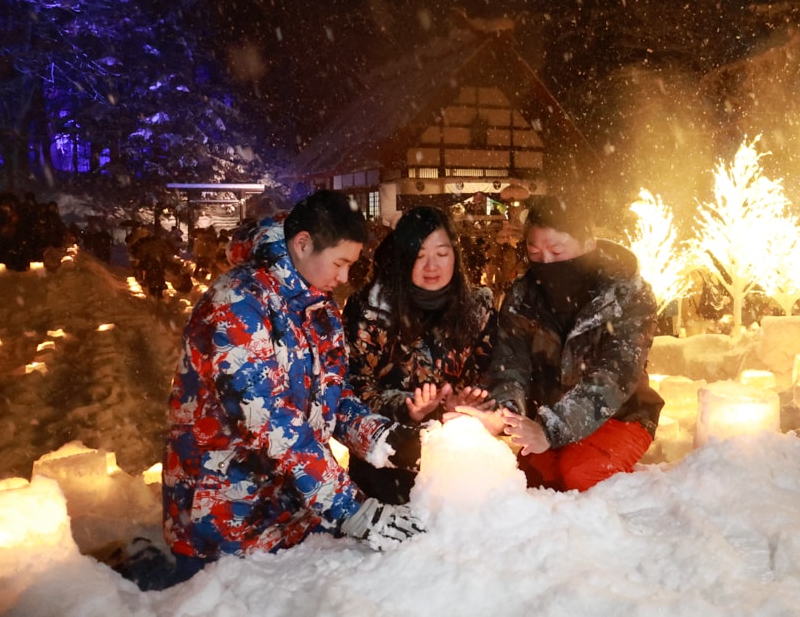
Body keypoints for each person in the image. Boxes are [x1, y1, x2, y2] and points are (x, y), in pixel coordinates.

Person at [161, 190, 424, 589]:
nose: (344, 278)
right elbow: (268, 422)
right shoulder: (237, 303)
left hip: (290, 510)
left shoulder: (317, 307)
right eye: (340, 263)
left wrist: (384, 439)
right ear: (302, 244)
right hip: (223, 518)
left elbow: (333, 396)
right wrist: (353, 509)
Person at [461, 195, 663, 492]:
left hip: (621, 415)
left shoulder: (626, 295)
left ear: (588, 244)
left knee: (579, 474)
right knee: (525, 481)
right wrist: (504, 412)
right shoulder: (523, 296)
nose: (546, 262)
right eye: (535, 252)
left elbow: (616, 375)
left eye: (557, 251)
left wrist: (551, 429)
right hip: (548, 414)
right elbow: (511, 364)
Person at [343, 206, 496, 504]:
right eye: (419, 255)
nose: (432, 266)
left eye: (442, 253)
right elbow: (354, 387)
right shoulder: (369, 310)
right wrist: (407, 408)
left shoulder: (478, 308)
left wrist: (465, 402)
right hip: (387, 456)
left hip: (458, 454)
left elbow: (488, 374)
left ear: (456, 255)